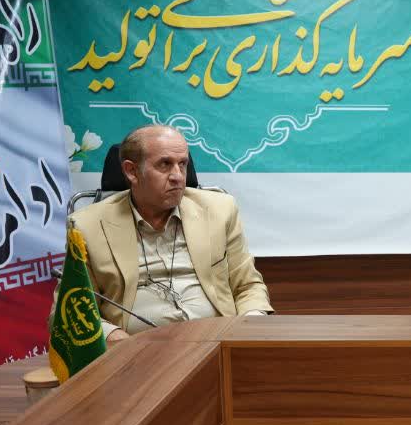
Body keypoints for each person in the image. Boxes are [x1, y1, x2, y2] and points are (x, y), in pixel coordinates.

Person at [68, 124, 272, 344]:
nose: (178, 176)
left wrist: (250, 326)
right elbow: (71, 309)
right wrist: (113, 337)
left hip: (218, 344)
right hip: (137, 351)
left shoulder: (220, 209)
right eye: (164, 164)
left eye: (182, 164)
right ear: (131, 171)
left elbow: (248, 286)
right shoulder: (87, 226)